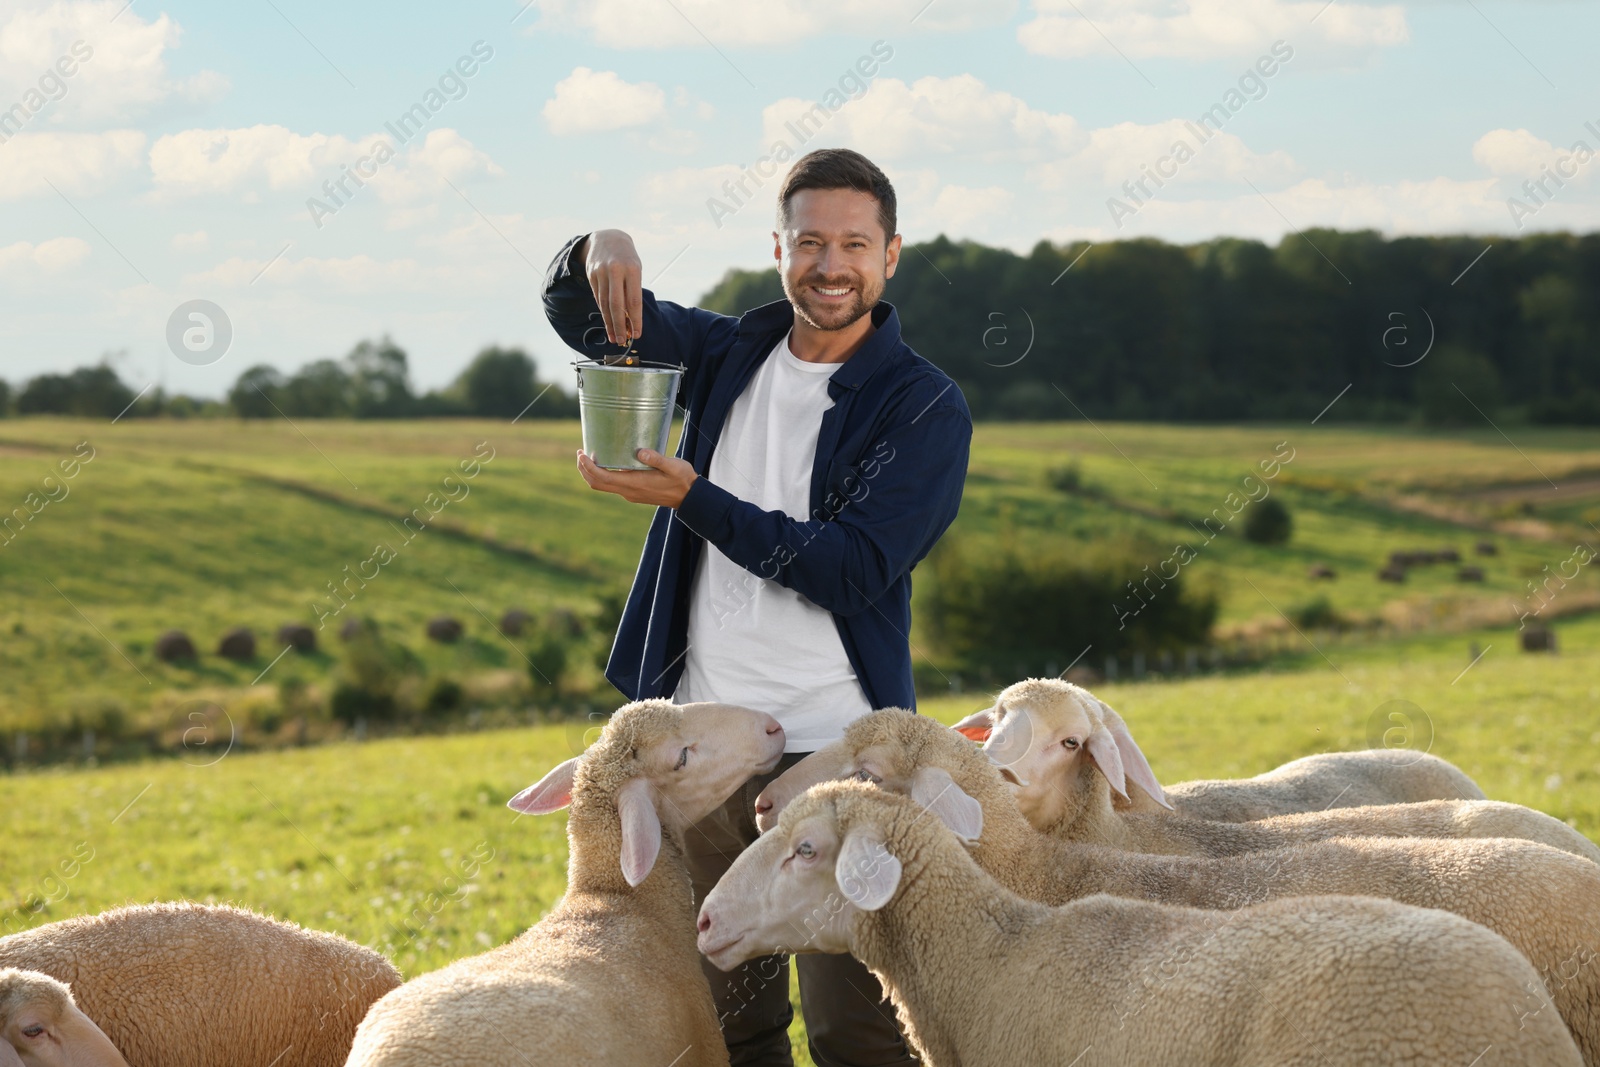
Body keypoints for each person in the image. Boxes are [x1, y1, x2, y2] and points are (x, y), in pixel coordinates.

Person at [540, 148, 971, 1067]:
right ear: (778, 249)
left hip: (841, 758)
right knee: (728, 1023)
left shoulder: (923, 406)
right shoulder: (726, 351)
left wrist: (693, 497)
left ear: (891, 255)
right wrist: (599, 244)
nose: (830, 264)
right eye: (810, 241)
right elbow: (586, 316)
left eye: (854, 243)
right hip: (703, 751)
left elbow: (851, 568)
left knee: (858, 1026)